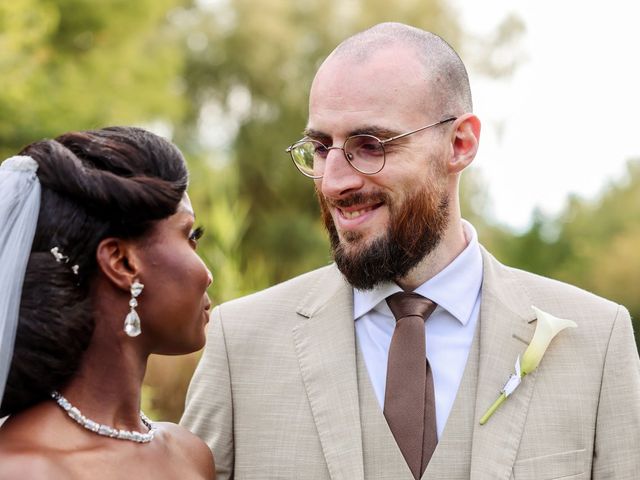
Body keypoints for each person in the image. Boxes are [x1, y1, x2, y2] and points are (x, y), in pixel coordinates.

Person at [181, 23, 640, 479]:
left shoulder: (598, 343)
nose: (336, 181)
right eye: (321, 148)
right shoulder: (239, 343)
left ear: (460, 144)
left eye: (370, 145)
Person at [0, 127, 215, 479]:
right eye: (189, 236)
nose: (207, 274)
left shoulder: (191, 455)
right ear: (122, 262)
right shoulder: (24, 468)